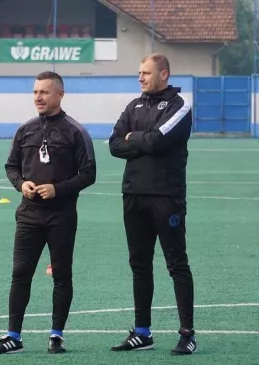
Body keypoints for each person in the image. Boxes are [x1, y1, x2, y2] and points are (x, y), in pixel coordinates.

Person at [0, 71, 97, 355]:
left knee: (61, 275)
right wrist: (21, 184)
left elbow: (89, 173)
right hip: (28, 215)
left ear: (60, 94)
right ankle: (13, 336)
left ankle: (57, 335)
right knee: (20, 274)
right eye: (35, 91)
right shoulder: (25, 130)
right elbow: (11, 167)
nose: (38, 97)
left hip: (61, 216)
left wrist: (57, 189)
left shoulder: (76, 131)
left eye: (45, 92)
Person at [108, 53, 197, 355]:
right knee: (139, 265)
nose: (140, 77)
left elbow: (158, 140)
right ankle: (142, 332)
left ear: (164, 75)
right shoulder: (133, 106)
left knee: (176, 264)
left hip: (165, 197)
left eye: (146, 72)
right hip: (133, 195)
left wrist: (135, 138)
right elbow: (114, 144)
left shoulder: (179, 106)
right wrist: (139, 139)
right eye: (139, 73)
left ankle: (187, 334)